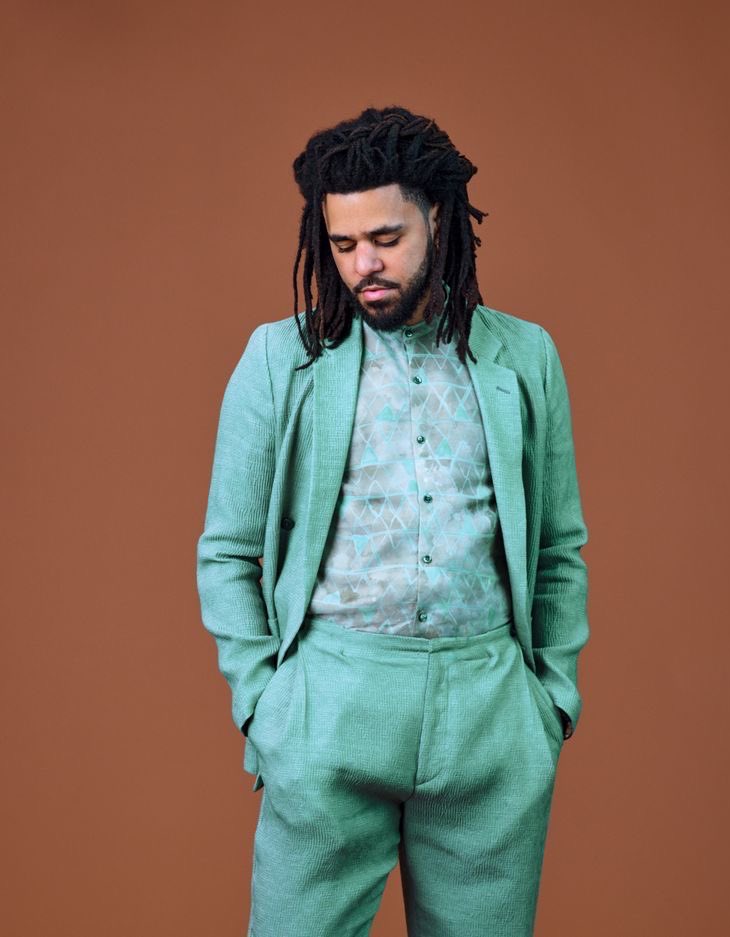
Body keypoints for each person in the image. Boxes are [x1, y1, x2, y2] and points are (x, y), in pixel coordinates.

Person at [196, 105, 589, 937]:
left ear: (438, 218)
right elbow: (226, 551)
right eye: (342, 245)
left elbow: (559, 547)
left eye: (385, 238)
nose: (363, 265)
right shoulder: (280, 361)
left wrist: (550, 701)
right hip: (329, 705)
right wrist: (265, 704)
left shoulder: (526, 357)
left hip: (490, 714)